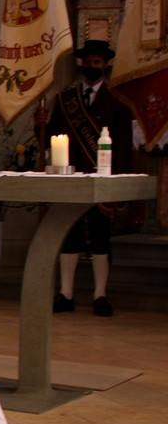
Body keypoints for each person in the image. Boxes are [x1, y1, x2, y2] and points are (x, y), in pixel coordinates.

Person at [35, 39, 134, 317]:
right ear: (81, 64)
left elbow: (124, 147)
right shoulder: (65, 100)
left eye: (96, 62)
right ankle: (66, 293)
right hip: (70, 178)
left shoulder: (117, 101)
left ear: (106, 65)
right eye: (88, 62)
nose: (91, 66)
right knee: (70, 235)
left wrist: (119, 184)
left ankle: (100, 294)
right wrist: (39, 124)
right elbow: (51, 138)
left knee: (101, 237)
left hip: (102, 180)